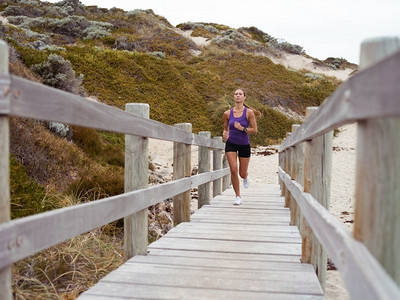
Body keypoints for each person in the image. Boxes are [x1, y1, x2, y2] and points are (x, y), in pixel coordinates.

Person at [223, 88, 258, 205]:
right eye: (236, 94)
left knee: (242, 173)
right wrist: (225, 134)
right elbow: (225, 129)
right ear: (234, 97)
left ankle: (245, 176)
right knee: (233, 169)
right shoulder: (227, 114)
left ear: (244, 97)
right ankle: (238, 196)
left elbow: (254, 130)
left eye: (240, 94)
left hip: (244, 144)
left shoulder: (249, 112)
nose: (238, 96)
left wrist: (242, 129)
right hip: (231, 143)